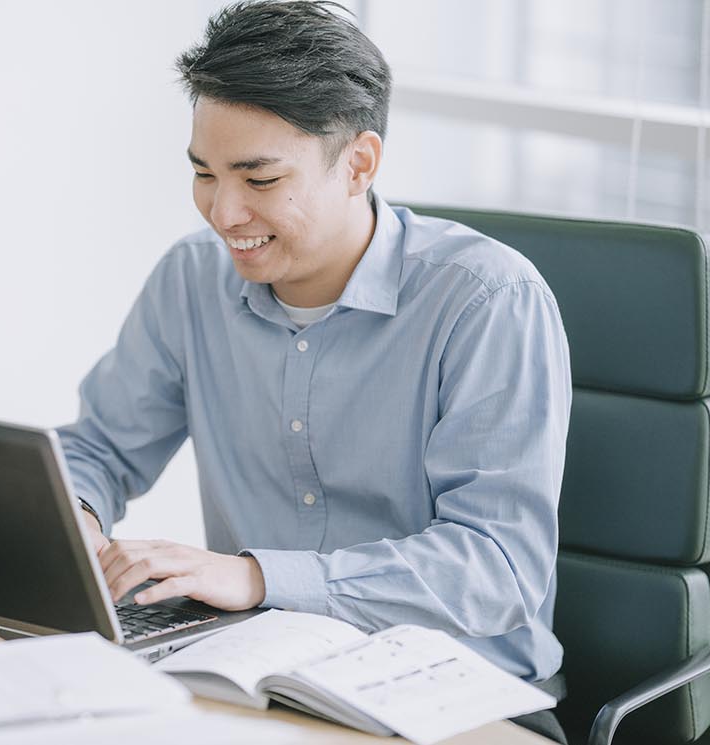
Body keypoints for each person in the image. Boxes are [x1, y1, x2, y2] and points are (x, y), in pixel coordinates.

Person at [55, 1, 572, 741]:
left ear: (357, 163)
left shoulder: (487, 301)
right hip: (255, 669)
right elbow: (98, 448)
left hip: (452, 691)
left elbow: (496, 569)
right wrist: (75, 514)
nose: (222, 211)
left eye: (258, 179)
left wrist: (260, 577)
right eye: (203, 172)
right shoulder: (190, 279)